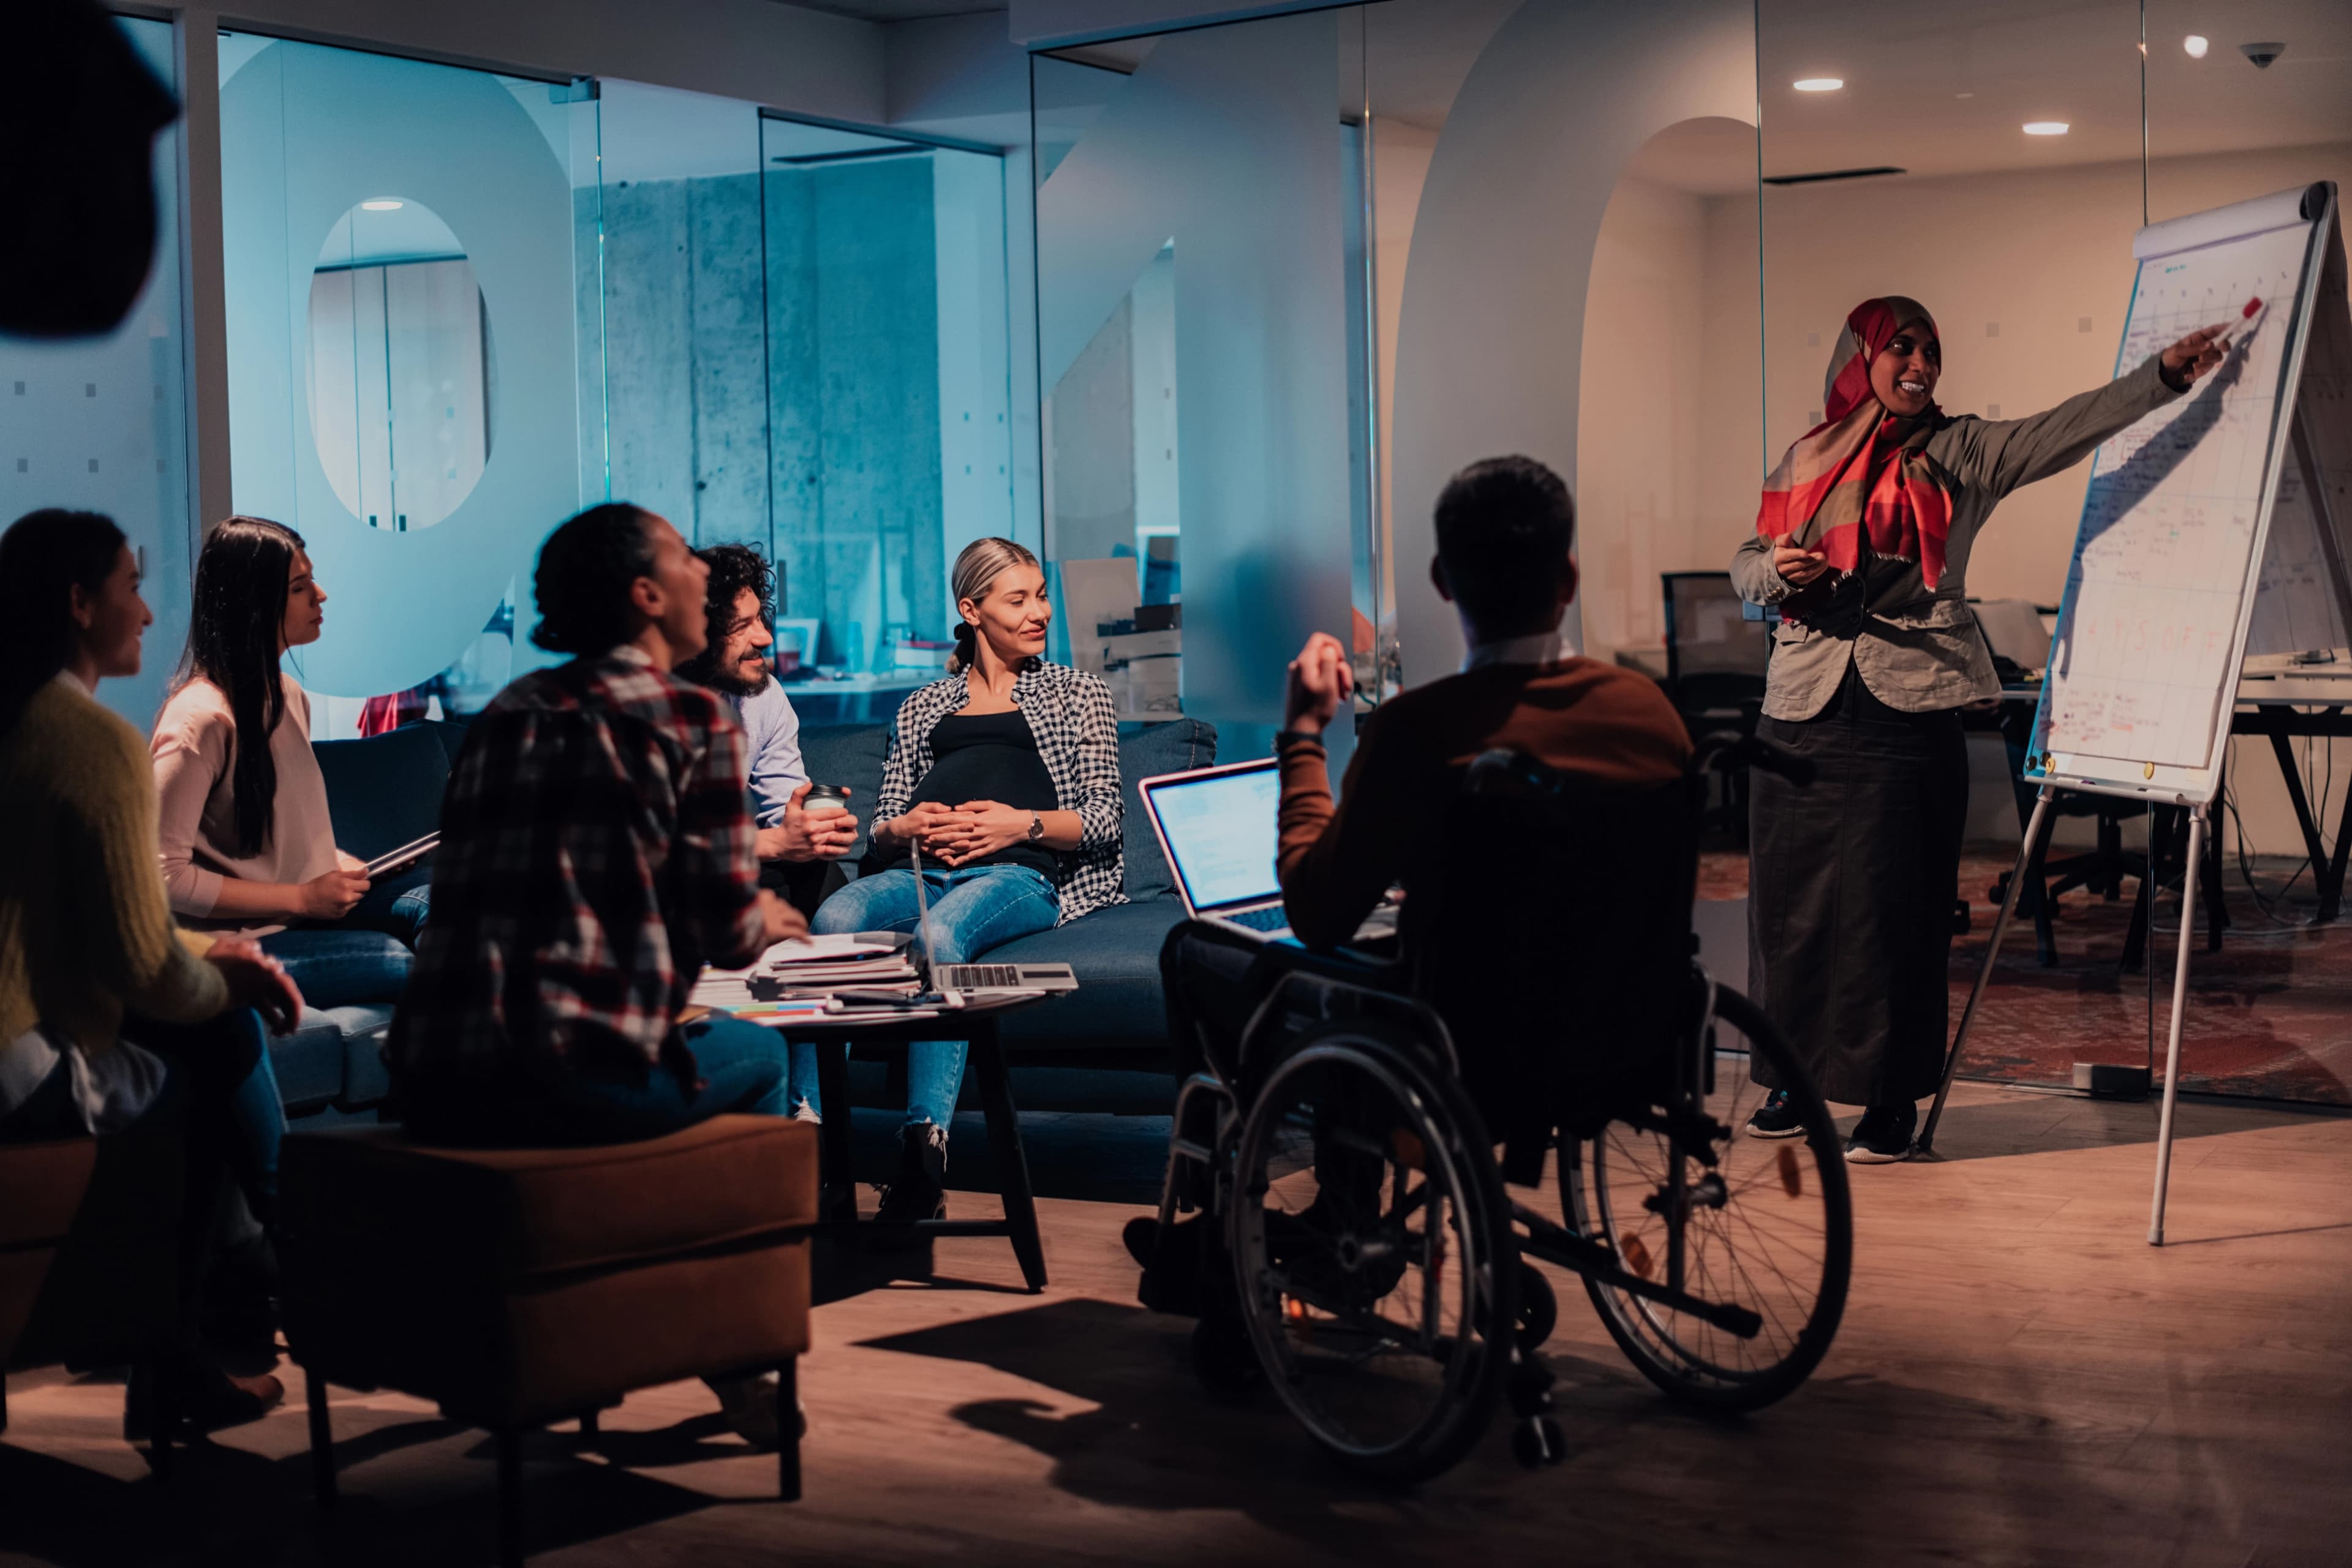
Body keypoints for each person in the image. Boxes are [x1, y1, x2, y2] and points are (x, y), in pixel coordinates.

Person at [1126, 458, 1691, 1305]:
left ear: (1439, 579)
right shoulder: (1650, 712)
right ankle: (1333, 1217)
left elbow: (1316, 913)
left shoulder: (1420, 734)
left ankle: (1286, 1223)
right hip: (1628, 1034)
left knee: (1197, 950)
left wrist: (1305, 738)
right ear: (1569, 577)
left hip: (1460, 1056)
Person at [1732, 296, 2230, 1163]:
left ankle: (1888, 1099)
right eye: (1901, 348)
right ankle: (1791, 1078)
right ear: (1862, 359)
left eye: (1931, 348)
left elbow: (2061, 429)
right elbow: (1744, 567)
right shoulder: (1806, 457)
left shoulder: (1961, 449)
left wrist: (2158, 381)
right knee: (1793, 911)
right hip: (1801, 709)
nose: (1921, 361)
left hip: (1904, 707)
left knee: (1893, 913)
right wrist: (1776, 567)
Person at [384, 502, 808, 1446]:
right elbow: (732, 931)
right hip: (562, 1078)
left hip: (433, 1076)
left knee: (683, 1052)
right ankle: (737, 1351)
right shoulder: (691, 717)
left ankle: (584, 1311)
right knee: (760, 1057)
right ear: (648, 596)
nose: (707, 577)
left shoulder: (506, 713)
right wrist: (772, 915)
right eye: (683, 565)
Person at [0, 508, 304, 1436]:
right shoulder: (92, 743)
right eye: (131, 586)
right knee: (214, 1044)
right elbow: (140, 959)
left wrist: (217, 957)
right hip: (16, 1061)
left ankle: (226, 1299)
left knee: (208, 1027)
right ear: (79, 602)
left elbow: (78, 932)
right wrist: (233, 978)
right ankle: (186, 1341)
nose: (145, 611)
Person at [804, 537, 1123, 1224]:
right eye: (1019, 599)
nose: (1039, 611)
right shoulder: (923, 705)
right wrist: (905, 827)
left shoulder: (1077, 692)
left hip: (1018, 872)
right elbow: (879, 825)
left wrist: (1021, 826)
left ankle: (924, 1150)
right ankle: (810, 1140)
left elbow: (1103, 818)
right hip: (922, 869)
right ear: (972, 610)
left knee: (940, 933)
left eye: (1040, 596)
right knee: (830, 924)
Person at [151, 516, 429, 1008]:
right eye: (301, 588)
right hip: (240, 944)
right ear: (254, 604)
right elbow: (163, 876)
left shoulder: (288, 695)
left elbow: (279, 846)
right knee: (402, 964)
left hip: (306, 918)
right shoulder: (199, 719)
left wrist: (335, 865)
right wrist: (302, 898)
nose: (320, 596)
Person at [675, 543, 856, 916]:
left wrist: (809, 829)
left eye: (760, 619)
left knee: (824, 880)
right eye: (742, 626)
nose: (765, 638)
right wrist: (774, 843)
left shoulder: (761, 695)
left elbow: (783, 806)